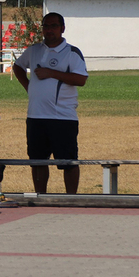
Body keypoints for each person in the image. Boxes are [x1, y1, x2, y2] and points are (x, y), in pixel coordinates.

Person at [12, 13, 88, 194]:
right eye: (46, 26)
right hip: (35, 116)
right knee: (37, 161)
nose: (49, 30)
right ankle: (41, 197)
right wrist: (28, 86)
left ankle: (71, 199)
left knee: (68, 162)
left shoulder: (72, 52)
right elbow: (18, 66)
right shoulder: (34, 50)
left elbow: (81, 79)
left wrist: (51, 73)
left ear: (62, 28)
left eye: (53, 26)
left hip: (63, 117)